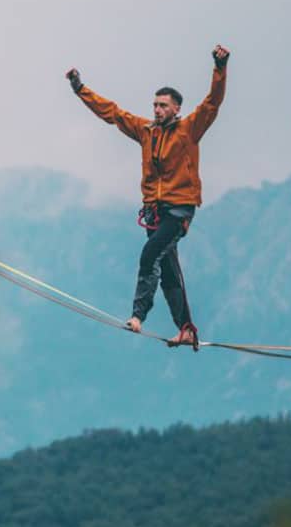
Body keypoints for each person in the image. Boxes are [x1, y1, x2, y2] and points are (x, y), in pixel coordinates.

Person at [66, 45, 229, 350]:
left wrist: (220, 67)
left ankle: (138, 315)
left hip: (178, 210)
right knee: (168, 272)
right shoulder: (146, 131)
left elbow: (212, 102)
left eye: (163, 105)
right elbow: (113, 113)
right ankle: (186, 329)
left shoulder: (189, 129)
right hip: (154, 212)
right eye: (154, 105)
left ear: (176, 109)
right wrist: (80, 89)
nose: (157, 110)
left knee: (150, 255)